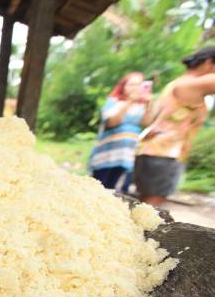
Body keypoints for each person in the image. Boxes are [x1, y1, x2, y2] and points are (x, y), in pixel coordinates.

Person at [135, 47, 215, 206]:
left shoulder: (174, 85)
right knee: (150, 209)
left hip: (154, 152)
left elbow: (148, 120)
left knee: (145, 207)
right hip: (164, 154)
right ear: (208, 63)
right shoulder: (187, 86)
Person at [87, 72, 151, 192]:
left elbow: (146, 123)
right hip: (107, 153)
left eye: (139, 85)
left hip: (127, 154)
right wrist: (129, 102)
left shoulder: (141, 106)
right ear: (124, 86)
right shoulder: (114, 101)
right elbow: (111, 122)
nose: (135, 88)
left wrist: (148, 104)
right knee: (99, 185)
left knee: (115, 188)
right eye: (132, 84)